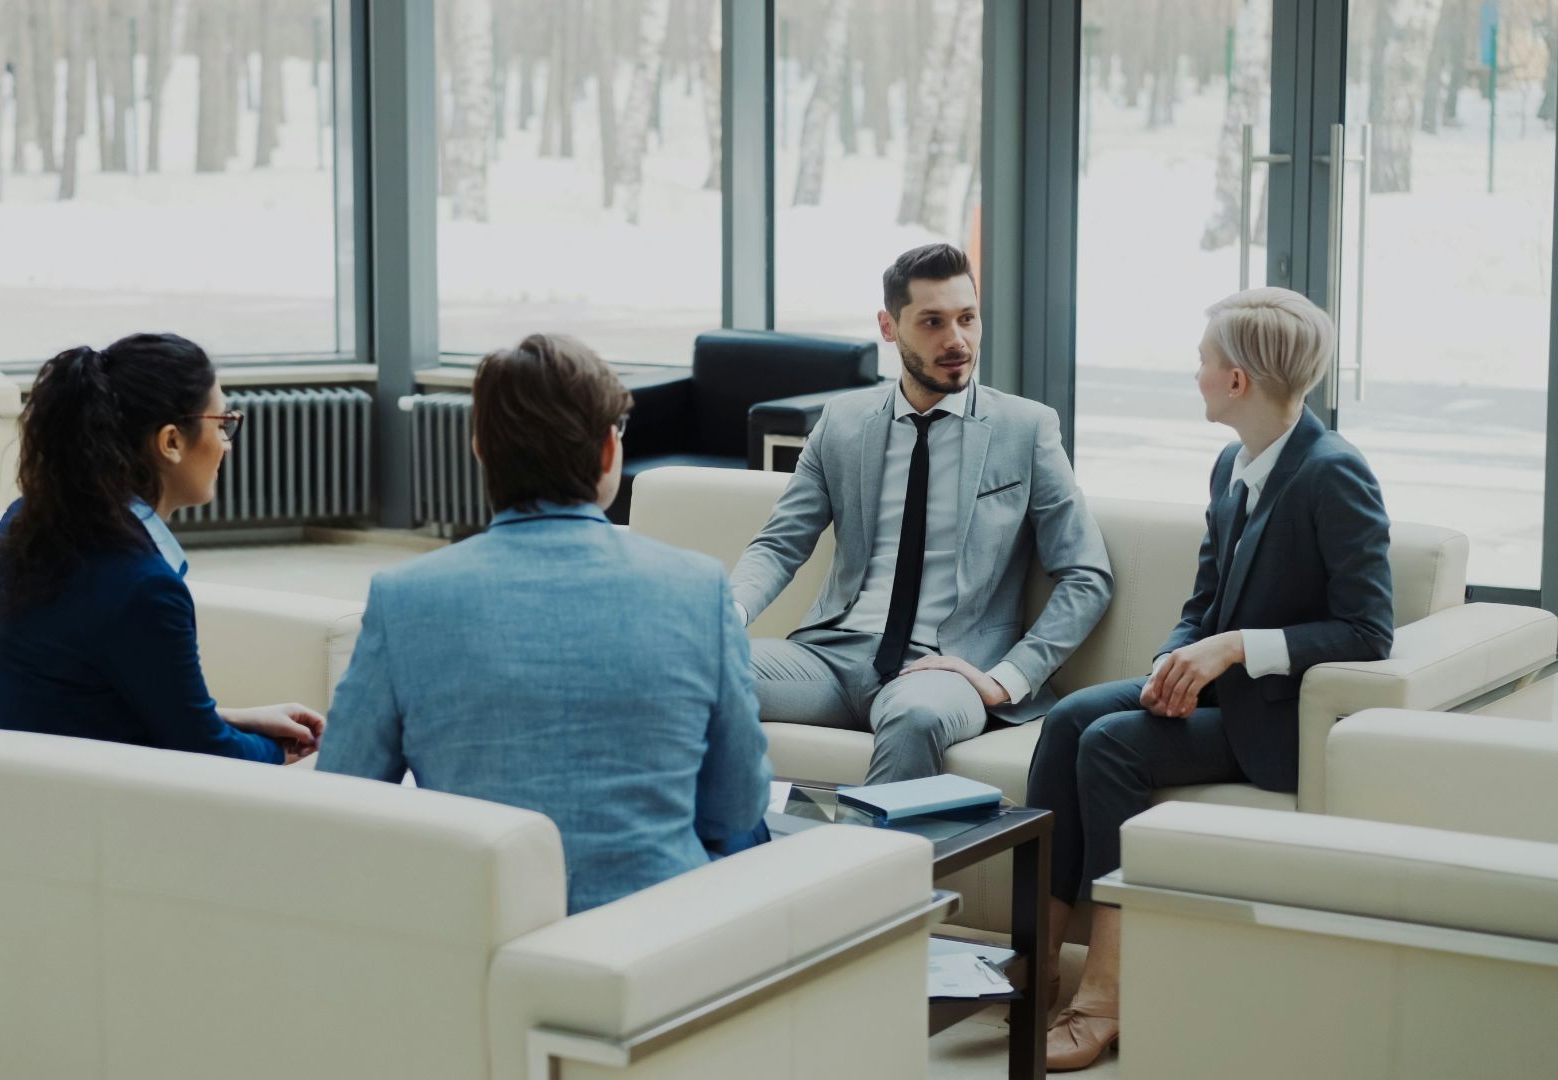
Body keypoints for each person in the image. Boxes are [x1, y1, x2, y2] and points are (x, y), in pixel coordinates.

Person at [1026, 288, 1394, 1071]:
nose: (1193, 374)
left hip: (1275, 720)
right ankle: (1035, 970)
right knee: (1065, 723)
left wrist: (1232, 650)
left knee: (1113, 746)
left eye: (1202, 361)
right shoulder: (1234, 460)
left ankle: (1104, 997)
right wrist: (1175, 658)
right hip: (1218, 696)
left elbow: (1369, 630)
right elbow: (1202, 599)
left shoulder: (1334, 473)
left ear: (1237, 381)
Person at [316, 333, 773, 914]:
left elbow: (344, 795)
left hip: (482, 933)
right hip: (658, 940)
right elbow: (736, 804)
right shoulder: (698, 588)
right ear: (610, 454)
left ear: (480, 449)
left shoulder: (404, 597)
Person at [730, 243, 1112, 784]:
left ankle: (876, 868)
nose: (956, 340)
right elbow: (779, 544)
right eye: (932, 322)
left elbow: (1087, 574)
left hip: (945, 667)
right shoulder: (842, 423)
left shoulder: (1025, 429)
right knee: (699, 665)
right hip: (831, 657)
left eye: (967, 319)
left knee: (916, 716)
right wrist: (728, 615)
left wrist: (1009, 677)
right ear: (889, 327)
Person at [0, 333, 324, 763]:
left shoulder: (26, 520)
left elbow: (74, 697)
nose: (226, 442)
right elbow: (206, 752)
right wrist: (285, 751)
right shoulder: (144, 586)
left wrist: (238, 719)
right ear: (171, 442)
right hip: (73, 808)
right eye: (221, 423)